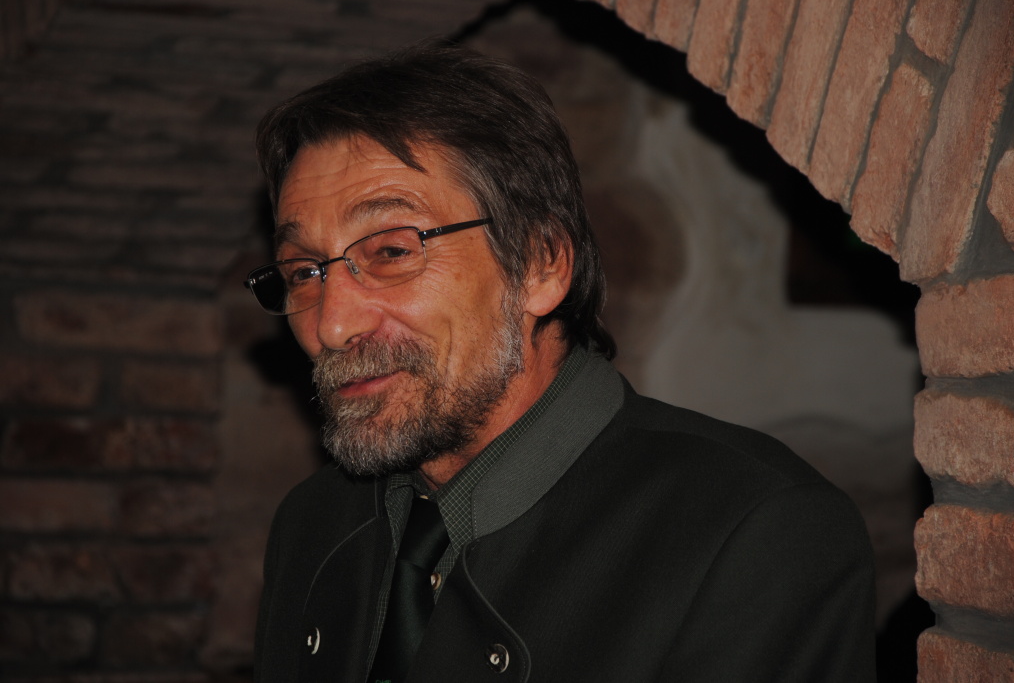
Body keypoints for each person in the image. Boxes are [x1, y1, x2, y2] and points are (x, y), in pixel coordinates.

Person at [246, 42, 876, 682]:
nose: (332, 324)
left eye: (390, 252)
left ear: (540, 265)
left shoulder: (752, 530)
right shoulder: (315, 524)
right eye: (303, 272)